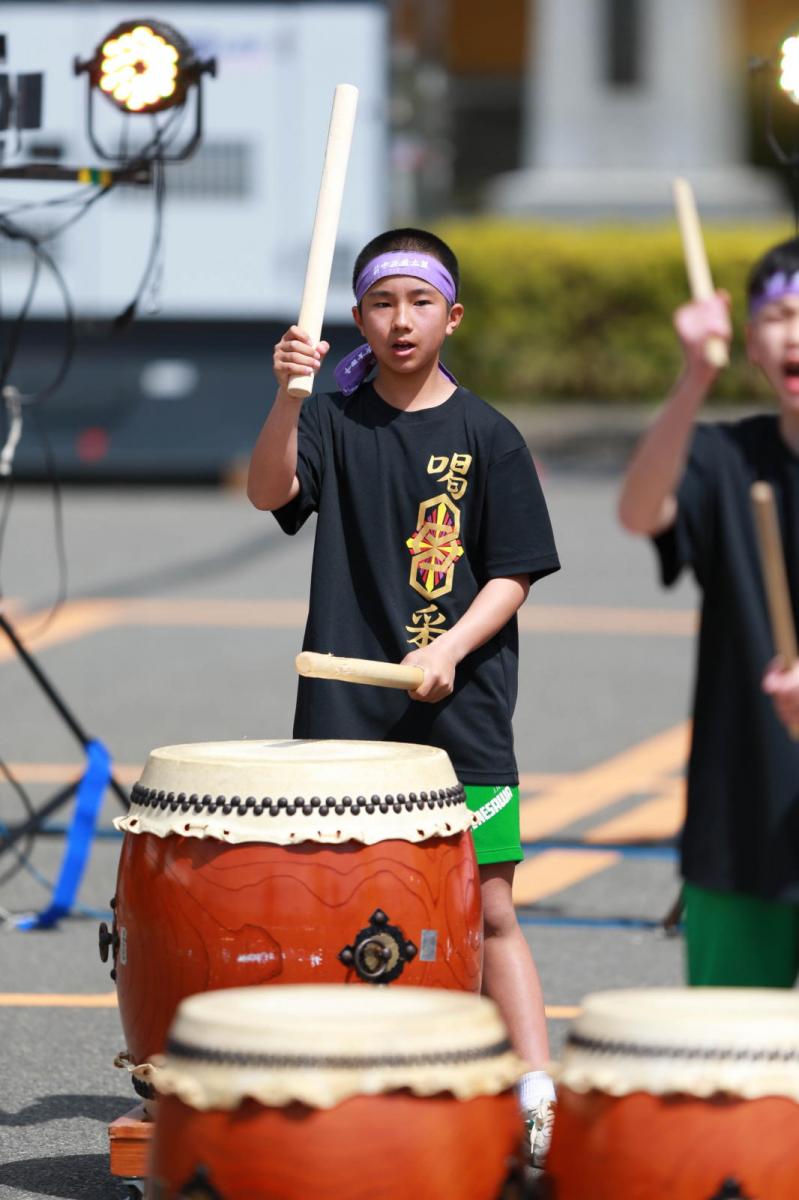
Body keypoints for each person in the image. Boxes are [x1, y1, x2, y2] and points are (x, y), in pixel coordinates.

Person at [247, 228, 561, 1162]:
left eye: (419, 303)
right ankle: (354, 1090)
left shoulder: (488, 436)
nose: (400, 321)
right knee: (340, 909)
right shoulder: (333, 419)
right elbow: (270, 491)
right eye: (382, 304)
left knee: (487, 907)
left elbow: (511, 573)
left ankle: (535, 1092)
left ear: (451, 317)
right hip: (345, 715)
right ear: (358, 320)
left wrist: (453, 649)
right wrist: (289, 393)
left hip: (457, 714)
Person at [618, 235, 799, 988]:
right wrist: (692, 378)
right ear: (751, 342)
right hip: (742, 816)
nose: (796, 331)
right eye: (780, 314)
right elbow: (639, 510)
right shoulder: (726, 458)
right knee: (729, 1077)